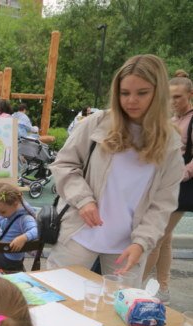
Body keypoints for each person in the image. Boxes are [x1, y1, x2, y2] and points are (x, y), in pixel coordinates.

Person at [47, 54, 184, 278]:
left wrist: (142, 243)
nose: (131, 100)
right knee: (58, 299)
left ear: (158, 94)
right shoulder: (97, 123)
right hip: (80, 234)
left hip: (128, 245)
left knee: (119, 310)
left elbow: (162, 204)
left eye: (142, 93)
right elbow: (64, 164)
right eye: (124, 93)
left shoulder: (169, 144)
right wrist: (84, 200)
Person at [142, 70, 193, 304]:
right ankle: (163, 287)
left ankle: (138, 285)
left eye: (178, 97)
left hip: (181, 186)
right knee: (166, 238)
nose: (173, 102)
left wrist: (182, 173)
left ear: (190, 95)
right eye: (170, 97)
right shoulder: (172, 120)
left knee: (157, 236)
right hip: (167, 185)